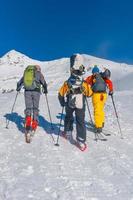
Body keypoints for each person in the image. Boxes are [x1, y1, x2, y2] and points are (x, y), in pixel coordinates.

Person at [58, 54, 93, 151]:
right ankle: (81, 141)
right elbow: (90, 94)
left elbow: (61, 94)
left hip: (70, 102)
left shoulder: (67, 82)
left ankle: (67, 133)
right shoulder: (84, 83)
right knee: (80, 121)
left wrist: (62, 102)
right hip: (81, 102)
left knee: (68, 117)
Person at [16, 65, 48, 132]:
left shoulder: (26, 73)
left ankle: (28, 120)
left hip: (27, 91)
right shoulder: (39, 73)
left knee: (28, 107)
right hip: (36, 92)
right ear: (38, 69)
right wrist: (45, 90)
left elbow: (20, 82)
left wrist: (18, 88)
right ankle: (34, 123)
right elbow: (44, 83)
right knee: (35, 107)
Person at [85, 65, 113, 133]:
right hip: (104, 95)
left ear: (93, 72)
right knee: (101, 109)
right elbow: (109, 82)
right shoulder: (103, 76)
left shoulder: (91, 77)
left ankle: (98, 126)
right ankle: (101, 123)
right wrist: (111, 90)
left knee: (97, 110)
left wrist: (85, 91)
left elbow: (85, 83)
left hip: (96, 95)